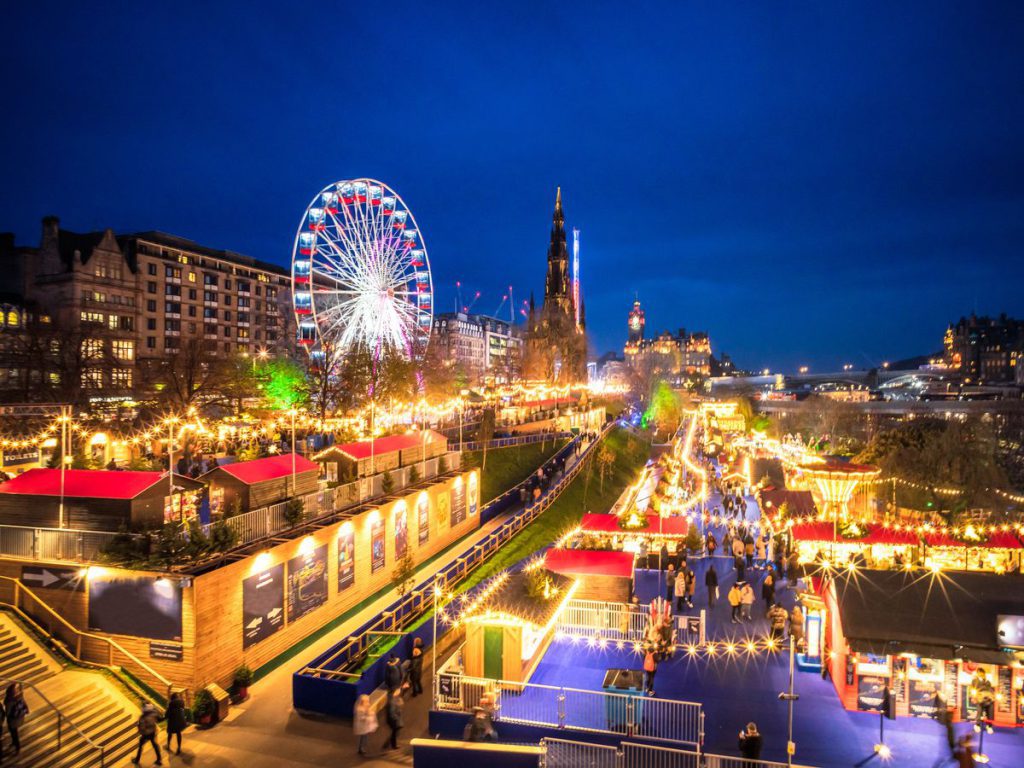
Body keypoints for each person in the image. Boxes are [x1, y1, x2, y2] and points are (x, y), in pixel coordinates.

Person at [131, 701, 162, 766]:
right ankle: (159, 759)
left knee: (141, 746)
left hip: (146, 734)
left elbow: (141, 728)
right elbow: (159, 720)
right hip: (153, 732)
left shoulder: (142, 717)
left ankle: (137, 760)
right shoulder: (154, 713)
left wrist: (140, 731)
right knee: (155, 745)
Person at [4, 683, 27, 758]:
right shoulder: (20, 696)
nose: (17, 690)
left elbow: (7, 713)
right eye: (16, 688)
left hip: (13, 720)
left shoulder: (9, 700)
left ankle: (17, 748)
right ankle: (14, 744)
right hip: (19, 717)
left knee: (14, 734)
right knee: (14, 733)